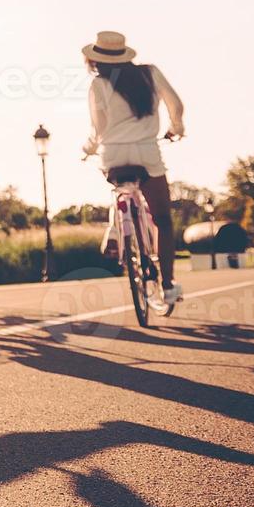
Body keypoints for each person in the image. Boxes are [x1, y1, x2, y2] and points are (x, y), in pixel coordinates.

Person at [81, 31, 185, 304]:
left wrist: (89, 149)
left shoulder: (98, 85)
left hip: (113, 154)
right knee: (162, 219)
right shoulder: (149, 73)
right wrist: (177, 128)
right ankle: (168, 284)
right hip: (147, 151)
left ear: (96, 60)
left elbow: (98, 127)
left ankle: (116, 228)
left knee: (119, 187)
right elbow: (176, 104)